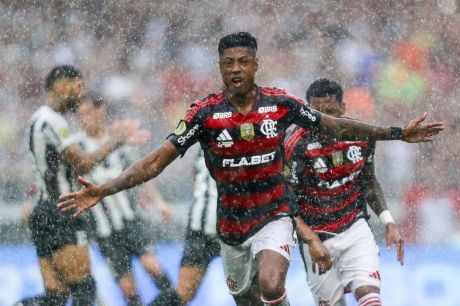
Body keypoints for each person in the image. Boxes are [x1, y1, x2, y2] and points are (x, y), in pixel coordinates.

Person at [57, 32, 443, 306]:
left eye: (243, 61)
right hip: (230, 227)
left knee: (272, 284)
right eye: (228, 63)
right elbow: (157, 161)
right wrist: (104, 189)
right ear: (220, 68)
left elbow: (334, 125)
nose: (236, 68)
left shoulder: (279, 104)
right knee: (249, 299)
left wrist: (396, 133)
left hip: (273, 215)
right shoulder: (204, 114)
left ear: (256, 64)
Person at [21, 65, 143, 306]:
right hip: (61, 212)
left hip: (45, 211)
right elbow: (83, 164)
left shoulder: (39, 118)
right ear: (61, 86)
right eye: (78, 87)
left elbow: (57, 166)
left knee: (55, 297)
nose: (80, 94)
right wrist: (116, 140)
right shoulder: (51, 120)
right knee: (84, 289)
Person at [284, 79, 405, 306]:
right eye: (317, 113)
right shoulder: (295, 145)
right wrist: (310, 239)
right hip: (316, 235)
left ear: (343, 108)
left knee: (369, 294)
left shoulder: (361, 136)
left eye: (331, 112)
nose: (325, 121)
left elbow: (368, 182)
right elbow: (284, 203)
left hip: (354, 228)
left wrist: (388, 222)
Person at [75, 94, 174, 306]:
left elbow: (141, 175)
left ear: (100, 110)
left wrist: (159, 202)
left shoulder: (120, 140)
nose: (84, 119)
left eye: (88, 113)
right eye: (80, 115)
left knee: (153, 267)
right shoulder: (77, 148)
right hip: (105, 233)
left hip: (131, 221)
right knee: (128, 290)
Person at [149, 149, 220, 306]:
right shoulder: (217, 136)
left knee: (256, 288)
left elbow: (195, 180)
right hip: (209, 226)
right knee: (184, 292)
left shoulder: (206, 139)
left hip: (214, 225)